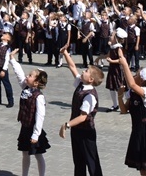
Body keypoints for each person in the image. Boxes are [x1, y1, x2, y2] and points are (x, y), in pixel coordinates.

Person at [59, 47, 105, 176]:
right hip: (77, 131)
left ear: (91, 79)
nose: (83, 71)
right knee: (78, 162)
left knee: (91, 161)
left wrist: (67, 125)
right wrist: (66, 53)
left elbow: (83, 117)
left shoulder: (89, 95)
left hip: (86, 132)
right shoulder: (81, 84)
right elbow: (72, 67)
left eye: (86, 71)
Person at [8, 48, 50, 176]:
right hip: (25, 128)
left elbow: (40, 116)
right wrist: (12, 60)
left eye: (30, 76)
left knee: (38, 155)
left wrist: (36, 134)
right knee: (25, 153)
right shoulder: (25, 87)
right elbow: (19, 74)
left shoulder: (39, 96)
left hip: (34, 129)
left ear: (36, 82)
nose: (27, 76)